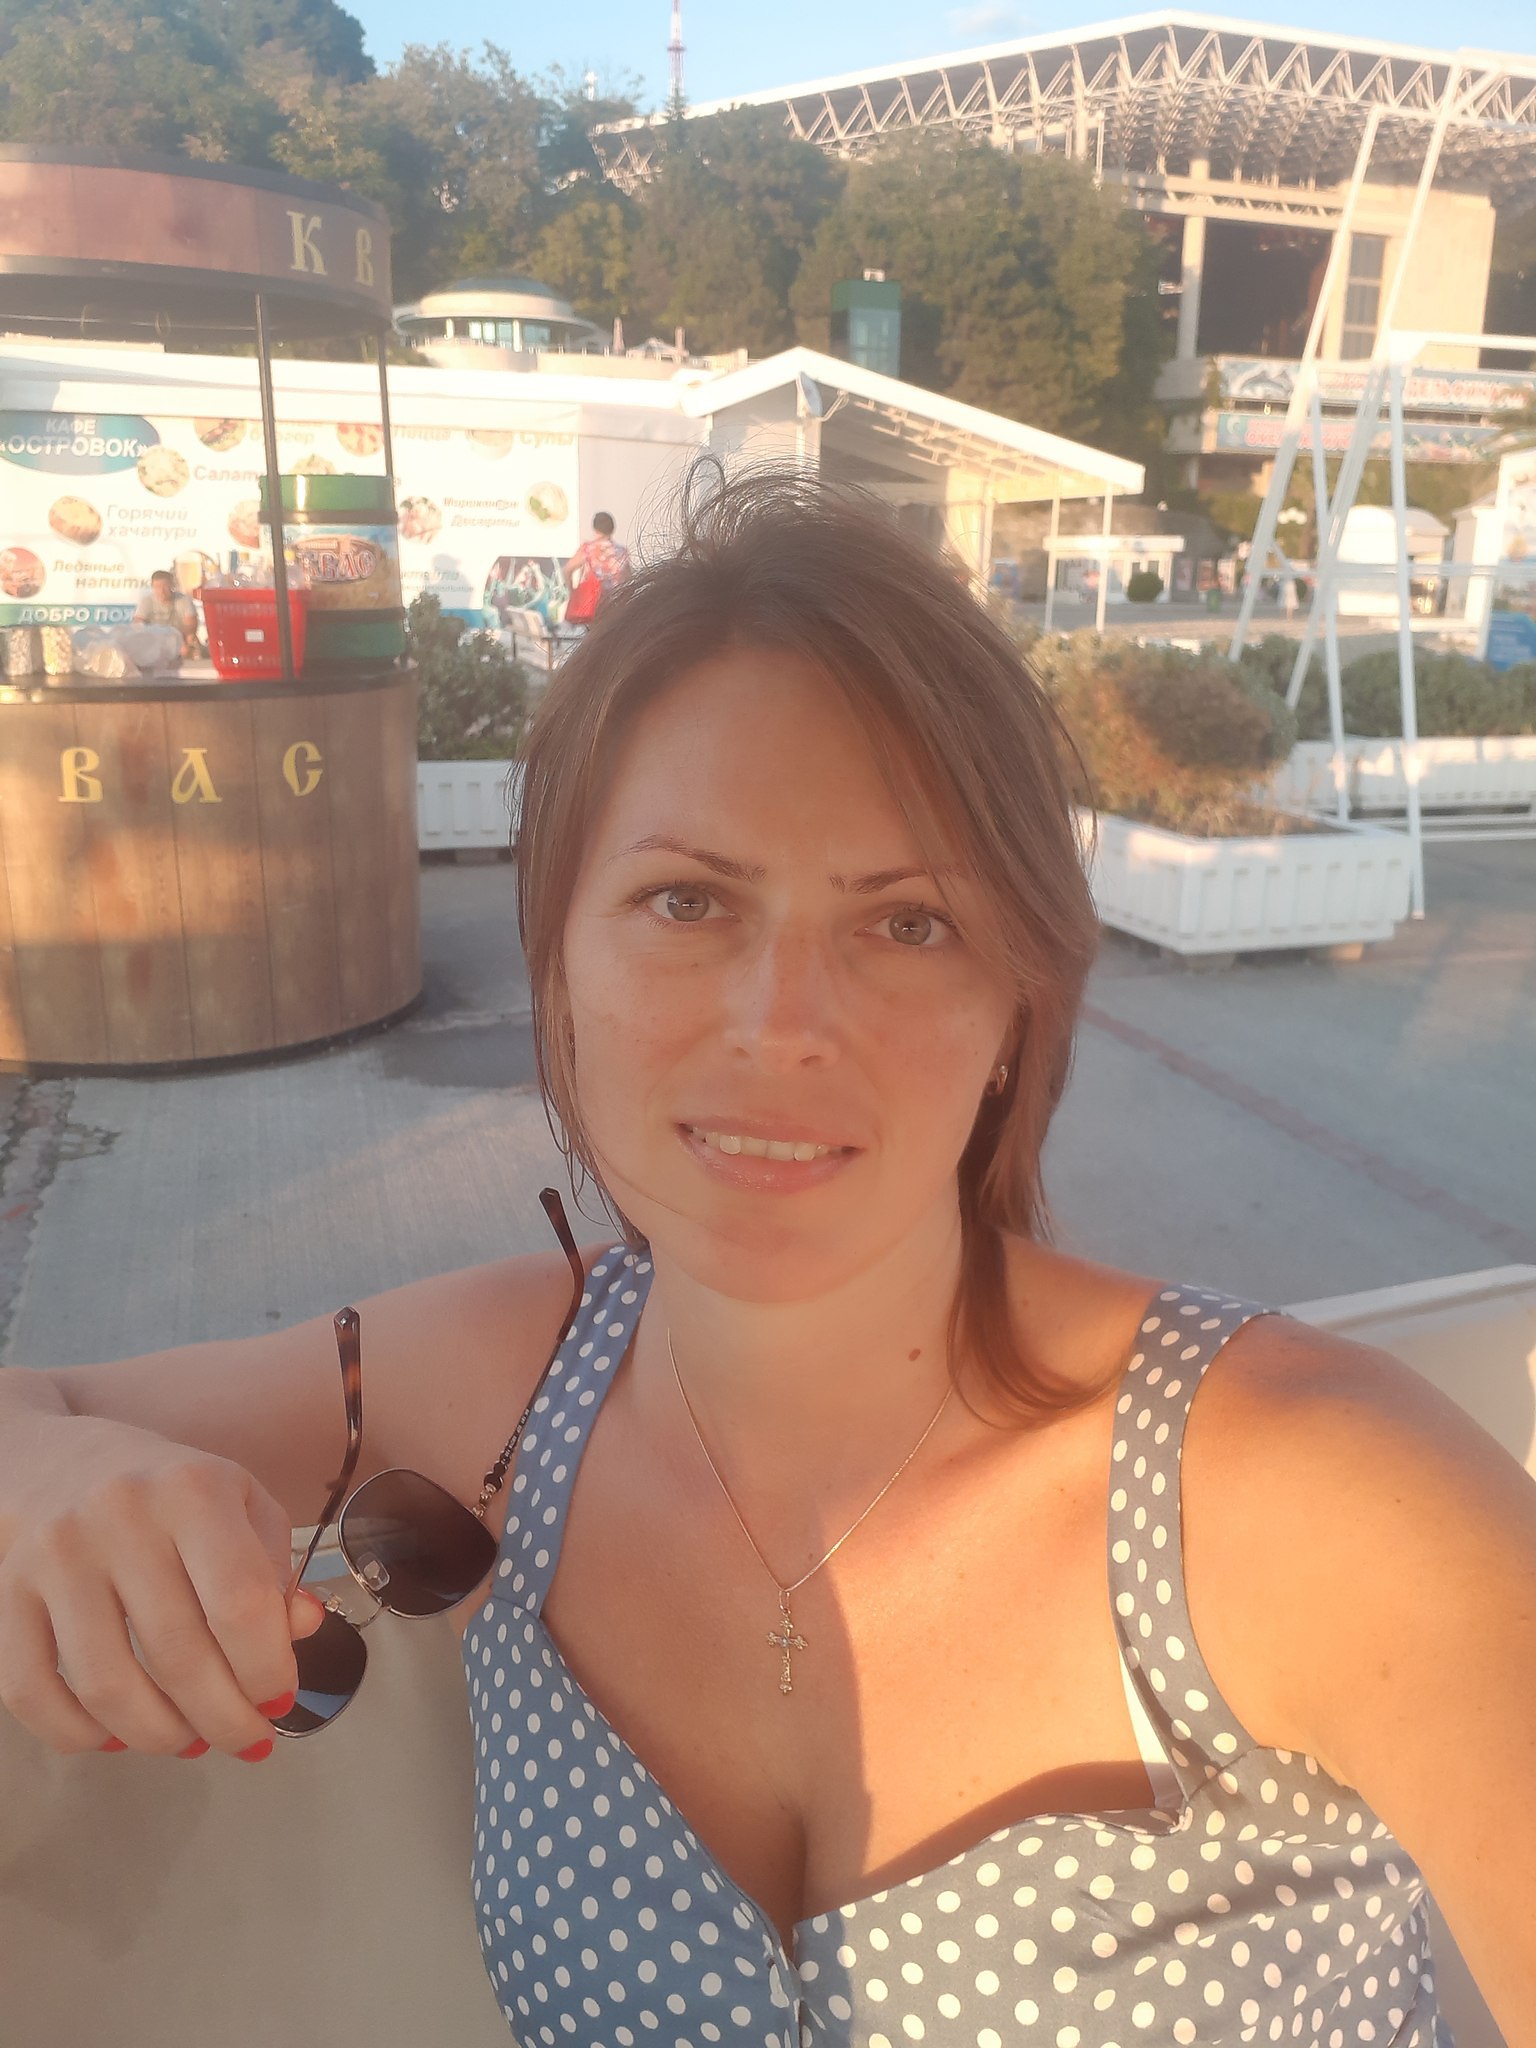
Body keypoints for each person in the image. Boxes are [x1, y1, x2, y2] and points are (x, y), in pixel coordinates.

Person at [0, 467, 1530, 2045]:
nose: (781, 1027)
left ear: (1019, 1008)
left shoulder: (1315, 1497)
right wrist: (47, 1481)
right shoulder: (505, 1386)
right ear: (559, 968)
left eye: (907, 923)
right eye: (688, 901)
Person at [562, 509, 630, 624]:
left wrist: (573, 591)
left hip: (593, 605)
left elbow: (567, 570)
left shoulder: (588, 549)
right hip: (615, 606)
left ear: (595, 529)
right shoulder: (622, 551)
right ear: (612, 529)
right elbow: (628, 578)